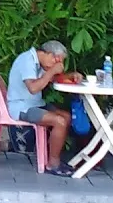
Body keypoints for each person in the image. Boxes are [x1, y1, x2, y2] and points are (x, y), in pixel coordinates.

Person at [6, 40, 78, 176]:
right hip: (22, 107)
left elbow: (51, 79)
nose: (58, 65)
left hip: (35, 104)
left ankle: (52, 155)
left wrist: (71, 76)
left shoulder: (38, 63)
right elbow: (33, 88)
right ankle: (53, 164)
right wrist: (51, 72)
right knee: (59, 121)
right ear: (49, 54)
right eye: (57, 60)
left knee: (67, 117)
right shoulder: (27, 61)